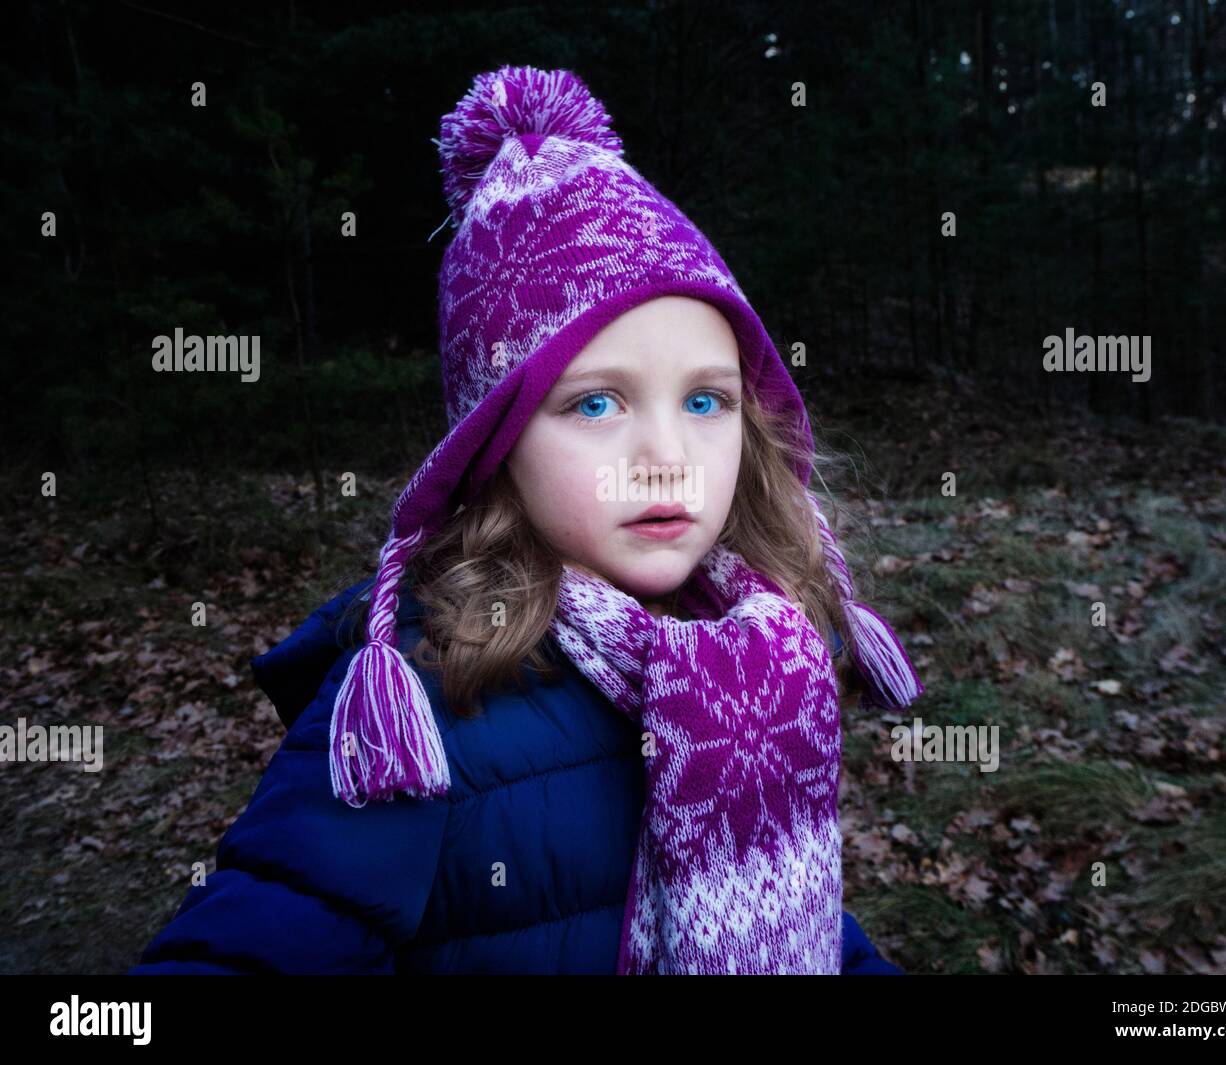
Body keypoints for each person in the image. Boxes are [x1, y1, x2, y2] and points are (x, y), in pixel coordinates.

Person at [130, 64, 922, 976]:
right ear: (494, 443)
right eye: (595, 404)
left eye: (706, 401)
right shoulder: (431, 705)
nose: (666, 454)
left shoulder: (757, 653)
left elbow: (807, 925)